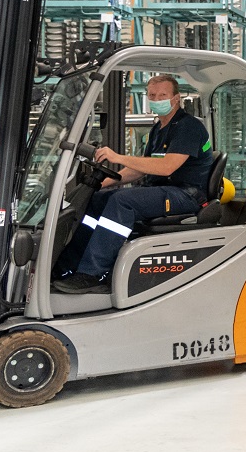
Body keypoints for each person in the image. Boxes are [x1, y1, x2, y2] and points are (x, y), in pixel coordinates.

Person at [52, 74, 214, 294]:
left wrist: (117, 157)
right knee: (97, 200)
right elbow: (140, 168)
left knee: (122, 201)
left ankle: (93, 273)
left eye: (162, 95)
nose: (156, 99)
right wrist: (100, 184)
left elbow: (167, 167)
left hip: (186, 195)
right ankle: (66, 267)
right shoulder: (159, 129)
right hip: (161, 190)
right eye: (152, 95)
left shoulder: (188, 127)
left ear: (176, 98)